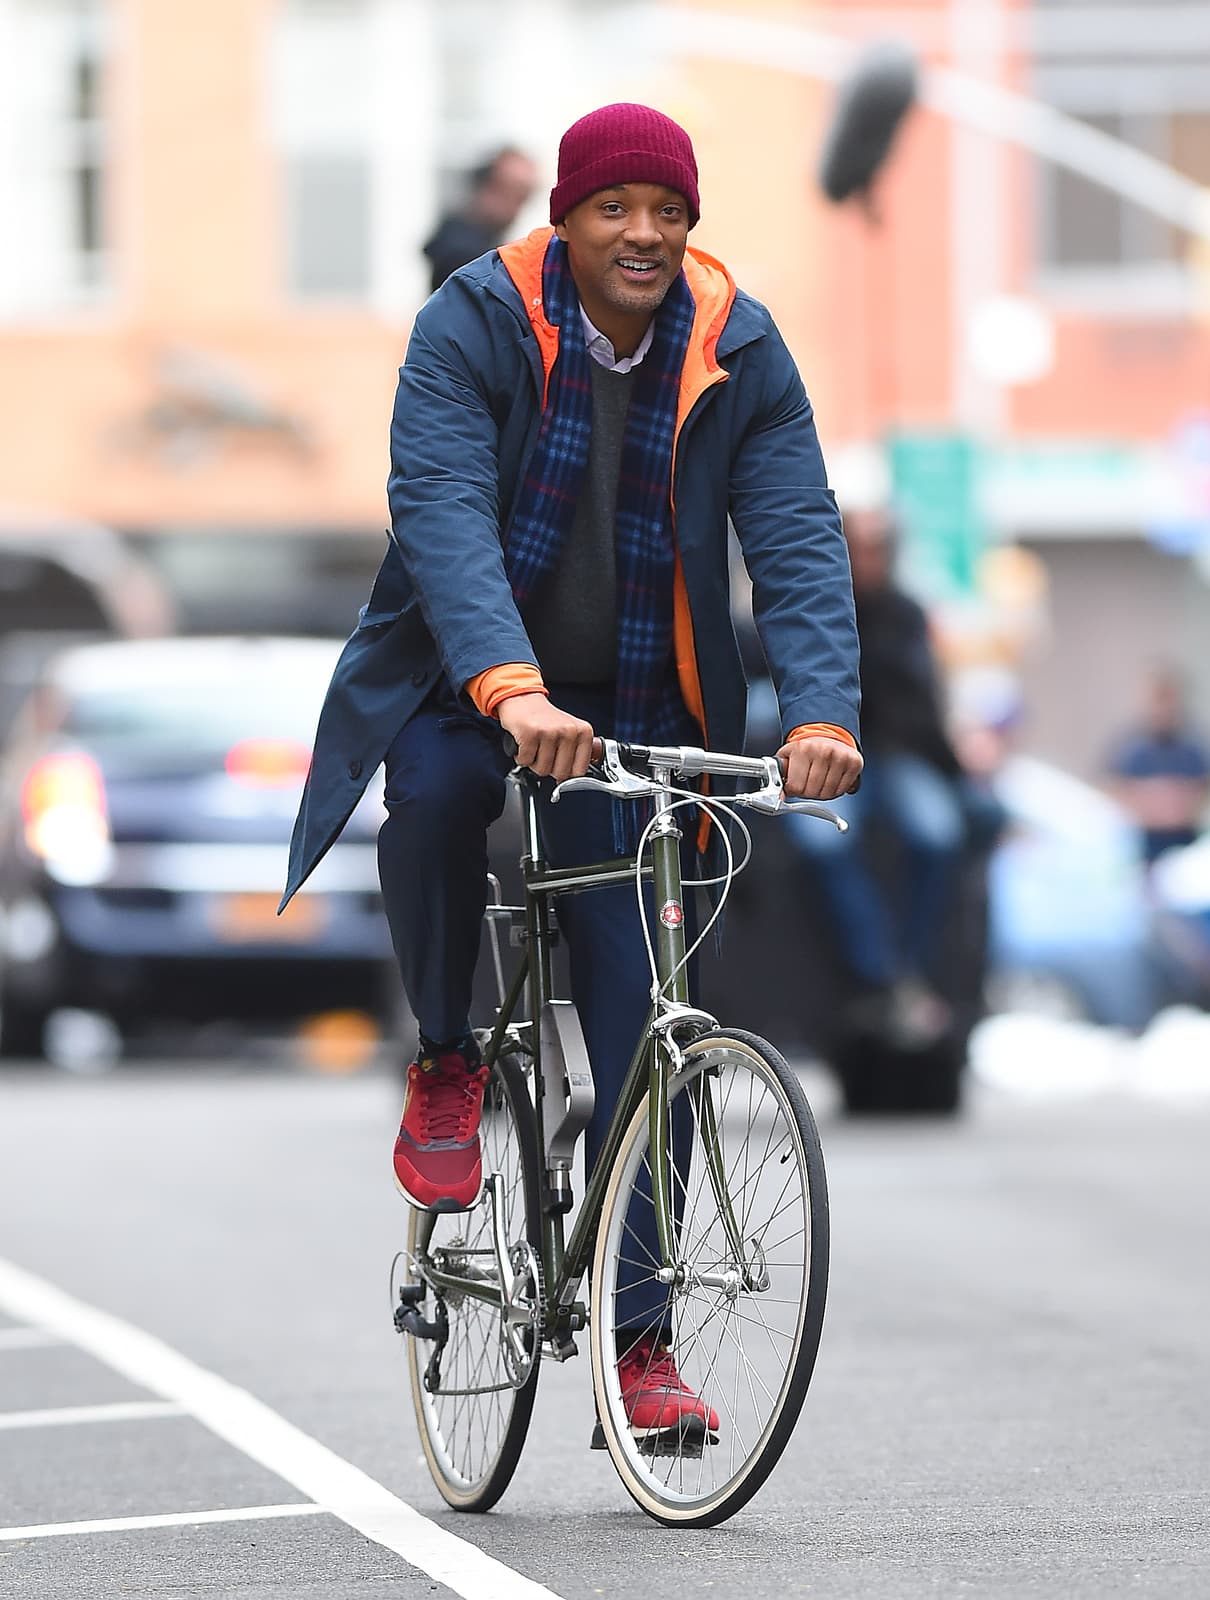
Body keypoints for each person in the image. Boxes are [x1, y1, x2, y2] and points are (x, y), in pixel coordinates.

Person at [283, 103, 863, 1441]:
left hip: (641, 698)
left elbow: (794, 533)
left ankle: (640, 1346)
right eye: (616, 209)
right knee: (432, 799)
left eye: (668, 213)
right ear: (566, 217)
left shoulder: (743, 349)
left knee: (646, 1014)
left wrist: (822, 712)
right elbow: (437, 511)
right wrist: (508, 685)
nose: (644, 234)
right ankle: (445, 1055)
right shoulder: (474, 324)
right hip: (467, 667)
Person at [785, 508, 972, 1044]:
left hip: (892, 752)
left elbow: (919, 700)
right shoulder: (816, 604)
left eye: (878, 548)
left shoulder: (904, 613)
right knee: (823, 842)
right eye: (860, 547)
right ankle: (877, 971)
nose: (870, 559)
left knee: (940, 834)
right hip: (826, 750)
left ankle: (906, 969)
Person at [1106, 667, 1210, 865]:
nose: (1163, 707)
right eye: (1157, 698)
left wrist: (1180, 802)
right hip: (1145, 843)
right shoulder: (1130, 745)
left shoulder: (1195, 744)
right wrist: (1149, 803)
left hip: (1187, 839)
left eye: (1168, 697)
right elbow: (1113, 786)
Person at [421, 145, 537, 295]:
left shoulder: (486, 243)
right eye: (510, 191)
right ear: (487, 186)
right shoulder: (463, 252)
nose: (515, 204)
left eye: (524, 195)